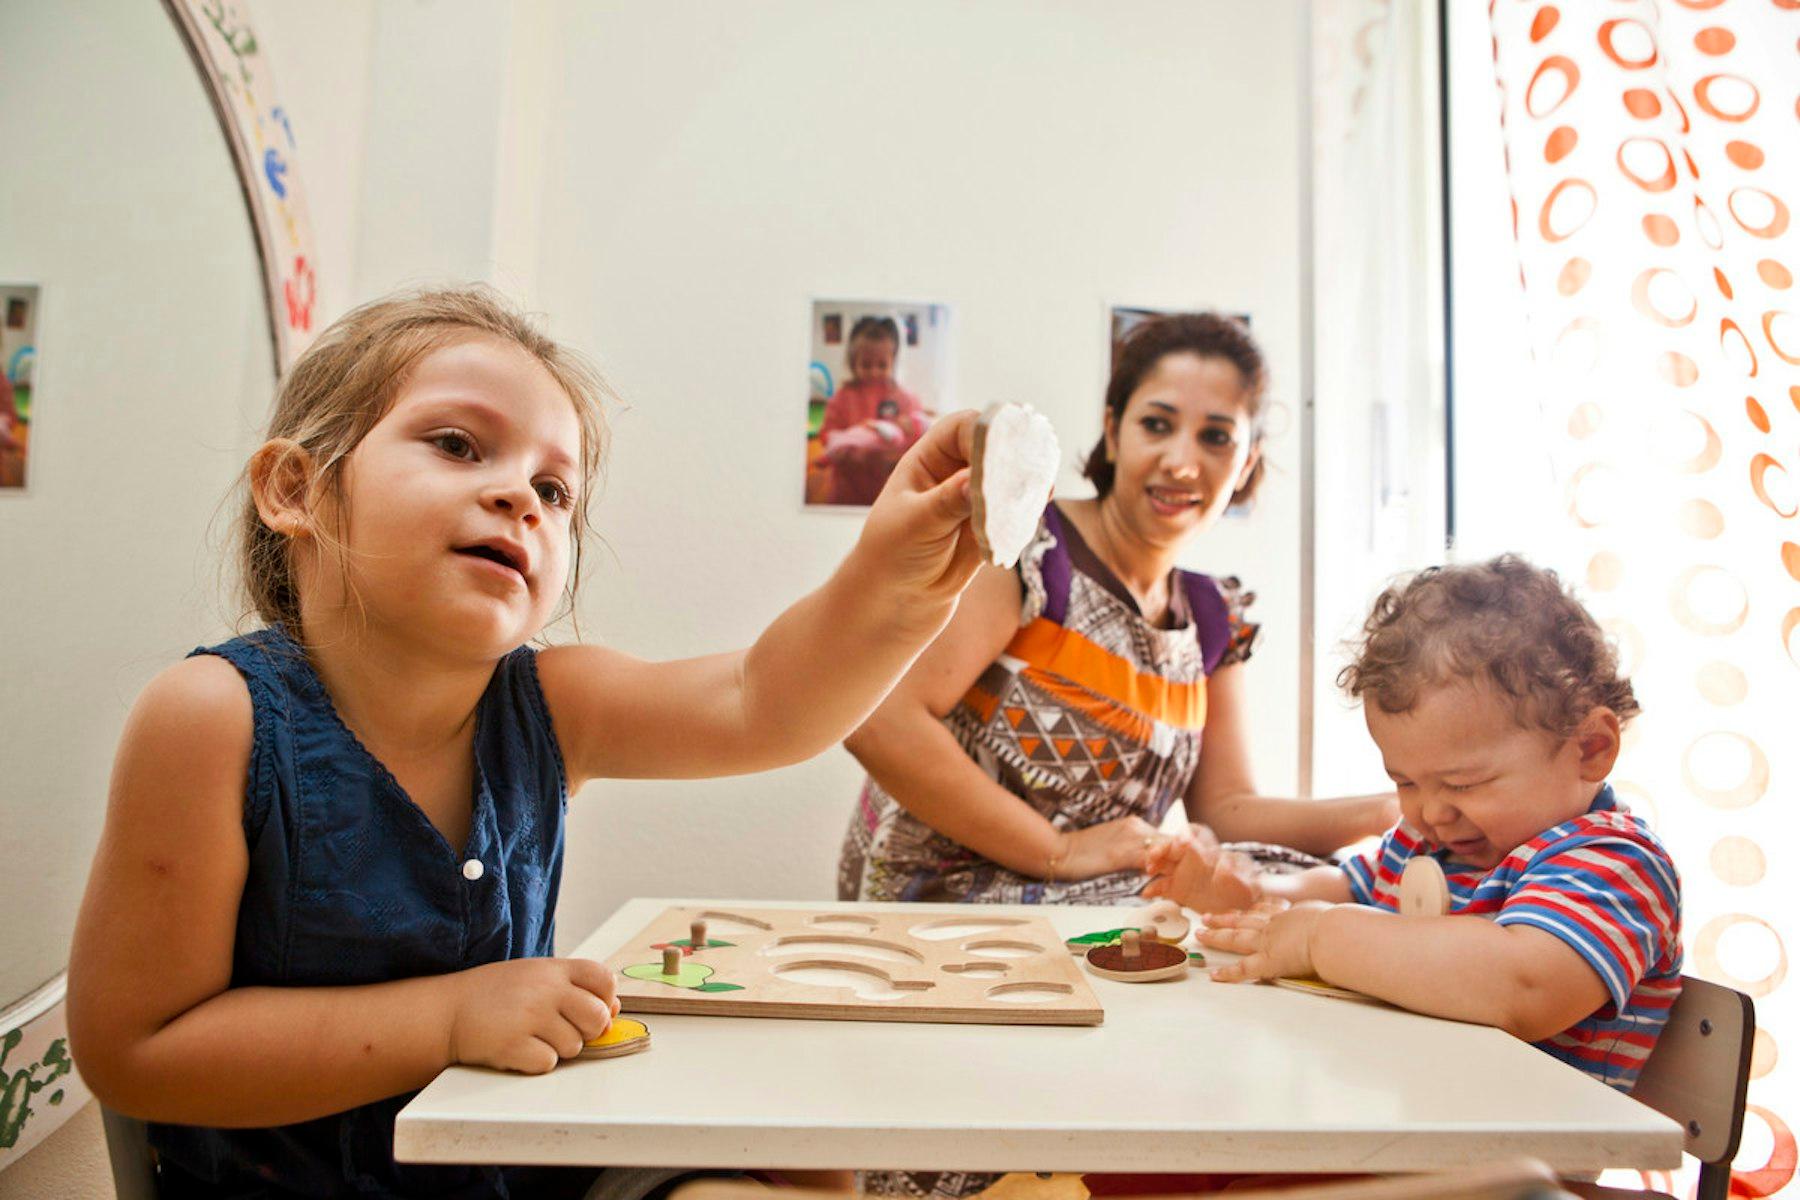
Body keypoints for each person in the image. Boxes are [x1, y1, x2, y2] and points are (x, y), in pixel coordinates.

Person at [66, 286, 991, 1200]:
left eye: (555, 489)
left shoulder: (552, 704)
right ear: (295, 489)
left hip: (522, 1165)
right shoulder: (210, 719)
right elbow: (137, 1052)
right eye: (458, 445)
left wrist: (901, 576)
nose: (522, 497)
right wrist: (453, 1018)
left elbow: (765, 703)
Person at [839, 313, 1397, 910]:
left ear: (1248, 460)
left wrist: (1389, 811)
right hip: (938, 887)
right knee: (1226, 906)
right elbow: (881, 721)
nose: (1182, 463)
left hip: (1095, 888)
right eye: (1157, 425)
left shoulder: (1213, 616)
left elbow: (1227, 810)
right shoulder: (1029, 550)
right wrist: (1058, 850)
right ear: (1113, 430)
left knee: (1319, 884)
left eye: (1216, 437)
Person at [1148, 555, 1683, 1093]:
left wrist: (1320, 938)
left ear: (1590, 749)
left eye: (1464, 784)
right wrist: (1252, 897)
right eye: (1405, 783)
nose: (1430, 813)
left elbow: (1525, 987)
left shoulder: (1611, 861)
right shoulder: (1430, 842)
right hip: (1403, 1126)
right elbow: (1341, 889)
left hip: (1520, 1160)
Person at [814, 315, 933, 506]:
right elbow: (828, 436)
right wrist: (857, 456)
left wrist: (909, 436)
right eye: (866, 365)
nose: (874, 371)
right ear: (853, 362)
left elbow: (921, 438)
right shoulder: (842, 397)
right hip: (848, 491)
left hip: (889, 493)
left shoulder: (904, 398)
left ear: (892, 362)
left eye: (882, 365)